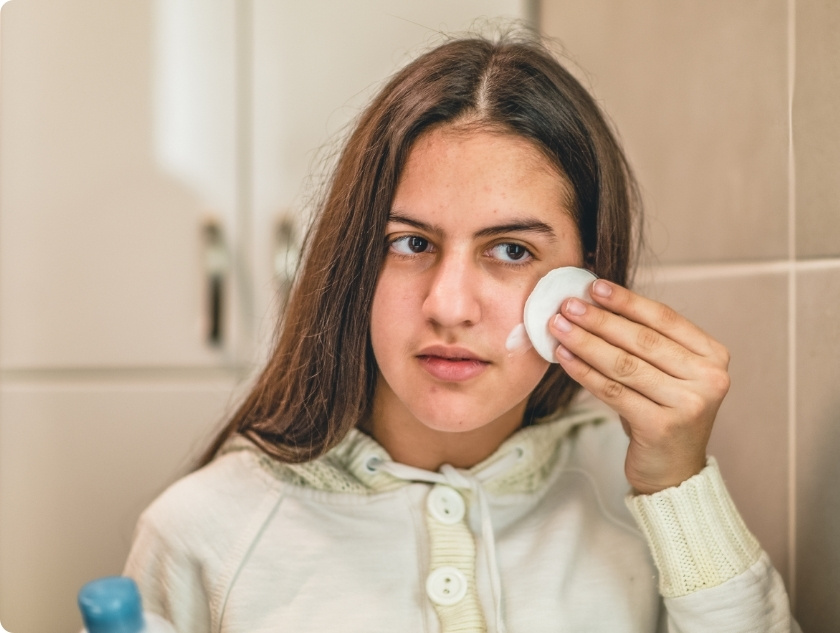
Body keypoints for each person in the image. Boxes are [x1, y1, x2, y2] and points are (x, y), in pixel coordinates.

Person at [124, 33, 798, 632]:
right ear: (353, 258)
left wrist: (678, 488)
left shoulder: (643, 499)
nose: (449, 306)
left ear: (588, 276)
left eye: (510, 251)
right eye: (410, 242)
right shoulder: (201, 533)